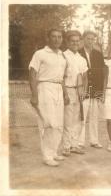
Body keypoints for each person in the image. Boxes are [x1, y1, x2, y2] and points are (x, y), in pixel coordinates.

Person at [29, 28, 67, 166]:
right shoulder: (40, 54)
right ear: (48, 38)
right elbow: (32, 74)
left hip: (58, 89)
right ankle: (47, 156)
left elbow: (62, 78)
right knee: (48, 123)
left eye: (59, 37)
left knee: (58, 123)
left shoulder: (62, 55)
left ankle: (54, 151)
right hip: (45, 88)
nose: (57, 39)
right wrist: (34, 95)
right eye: (54, 36)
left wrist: (65, 93)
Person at [61, 30, 88, 156]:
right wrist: (65, 93)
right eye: (72, 41)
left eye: (77, 41)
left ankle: (74, 145)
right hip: (67, 90)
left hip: (79, 91)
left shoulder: (82, 59)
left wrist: (84, 91)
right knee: (67, 120)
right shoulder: (63, 55)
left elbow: (85, 77)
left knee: (78, 120)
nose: (75, 43)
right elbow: (61, 77)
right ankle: (66, 146)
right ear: (67, 42)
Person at [78, 30, 105, 149]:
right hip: (84, 89)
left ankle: (94, 140)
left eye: (92, 39)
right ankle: (79, 142)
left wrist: (101, 92)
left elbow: (102, 74)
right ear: (83, 39)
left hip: (96, 90)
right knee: (82, 117)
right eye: (88, 38)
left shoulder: (98, 54)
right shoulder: (78, 53)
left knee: (94, 117)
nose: (90, 41)